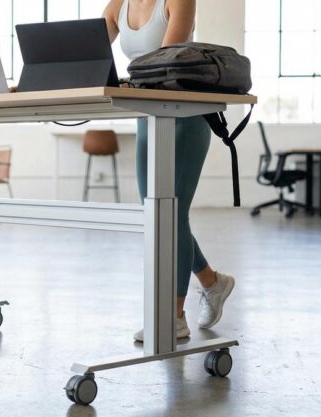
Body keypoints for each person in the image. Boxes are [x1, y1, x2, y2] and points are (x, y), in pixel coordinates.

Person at [101, 0, 234, 340]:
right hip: (147, 116)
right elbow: (89, 52)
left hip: (184, 115)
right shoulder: (118, 5)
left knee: (171, 214)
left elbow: (164, 64)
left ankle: (173, 316)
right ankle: (212, 282)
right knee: (155, 212)